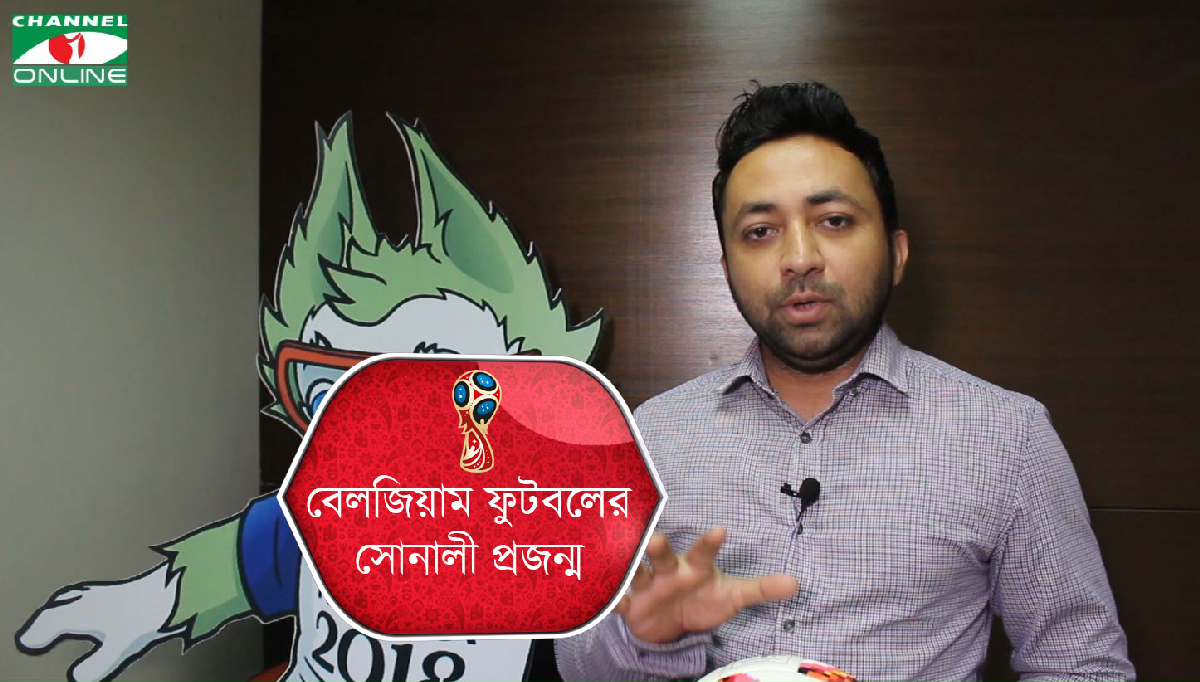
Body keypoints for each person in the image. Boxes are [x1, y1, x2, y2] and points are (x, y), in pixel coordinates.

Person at [555, 82, 1133, 681]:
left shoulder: (1008, 436)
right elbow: (579, 667)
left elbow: (1081, 665)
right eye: (760, 231)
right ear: (727, 269)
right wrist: (648, 637)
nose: (799, 258)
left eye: (833, 220)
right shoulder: (651, 437)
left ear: (897, 252)